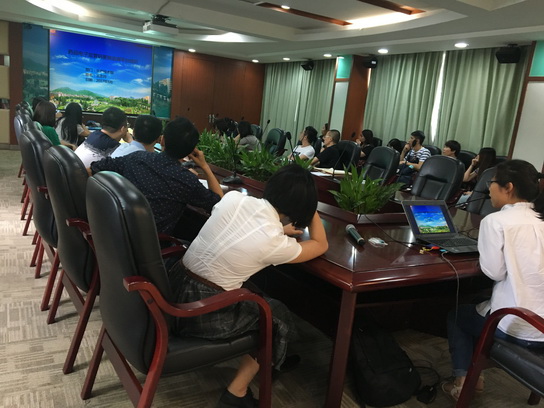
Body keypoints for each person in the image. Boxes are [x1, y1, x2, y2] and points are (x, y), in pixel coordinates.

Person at [168, 164, 329, 407]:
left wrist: (280, 228)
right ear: (300, 207)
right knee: (276, 315)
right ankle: (236, 393)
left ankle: (270, 356)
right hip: (199, 312)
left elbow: (244, 228)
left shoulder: (234, 198)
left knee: (257, 294)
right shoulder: (272, 241)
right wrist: (311, 209)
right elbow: (320, 244)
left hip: (173, 284)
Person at [443, 159, 544, 401]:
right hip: (541, 327)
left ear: (508, 187)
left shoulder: (495, 221)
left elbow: (494, 273)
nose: (489, 188)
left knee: (457, 316)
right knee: (479, 303)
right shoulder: (541, 222)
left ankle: (463, 382)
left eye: (492, 182)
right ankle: (474, 374)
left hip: (516, 326)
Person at [91, 117, 222, 236]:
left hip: (114, 234)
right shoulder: (187, 180)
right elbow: (219, 205)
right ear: (190, 151)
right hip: (151, 248)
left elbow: (94, 168)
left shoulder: (136, 158)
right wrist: (205, 166)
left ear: (162, 140)